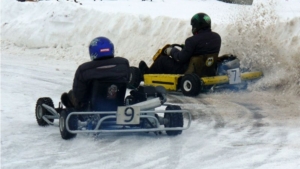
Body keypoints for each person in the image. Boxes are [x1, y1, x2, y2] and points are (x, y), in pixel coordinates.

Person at [139, 13, 221, 77]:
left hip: (188, 71)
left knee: (162, 60)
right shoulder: (217, 38)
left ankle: (147, 73)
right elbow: (202, 50)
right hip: (207, 69)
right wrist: (186, 48)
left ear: (197, 25)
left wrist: (171, 51)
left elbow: (180, 58)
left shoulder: (192, 40)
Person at [61, 37, 130, 110]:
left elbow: (79, 95)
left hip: (92, 110)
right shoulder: (123, 64)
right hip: (117, 105)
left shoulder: (84, 69)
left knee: (69, 95)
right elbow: (127, 80)